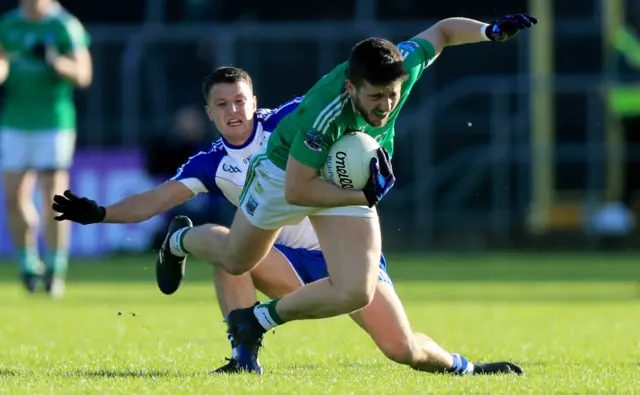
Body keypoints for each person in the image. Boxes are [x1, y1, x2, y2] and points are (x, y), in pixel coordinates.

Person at [53, 66, 524, 375]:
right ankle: (242, 355)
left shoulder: (293, 120)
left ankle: (466, 369)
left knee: (402, 349)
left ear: (254, 101)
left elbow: (349, 100)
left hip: (346, 252)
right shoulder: (211, 163)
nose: (233, 111)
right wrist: (99, 214)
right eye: (222, 105)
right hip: (283, 261)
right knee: (234, 256)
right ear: (209, 114)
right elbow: (155, 198)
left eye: (239, 101)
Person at [147, 14, 538, 372]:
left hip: (346, 190)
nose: (385, 106)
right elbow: (298, 188)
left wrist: (489, 32)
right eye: (375, 97)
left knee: (392, 337)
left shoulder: (399, 66)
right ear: (351, 87)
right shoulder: (325, 113)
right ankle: (184, 248)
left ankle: (465, 368)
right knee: (235, 259)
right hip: (289, 183)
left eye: (392, 95)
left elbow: (443, 31)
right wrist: (365, 195)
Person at [0, 0, 92, 297]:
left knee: (53, 198)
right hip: (15, 121)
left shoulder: (63, 25)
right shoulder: (9, 24)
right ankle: (28, 263)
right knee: (14, 197)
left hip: (53, 122)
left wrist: (54, 61)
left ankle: (55, 266)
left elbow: (83, 74)